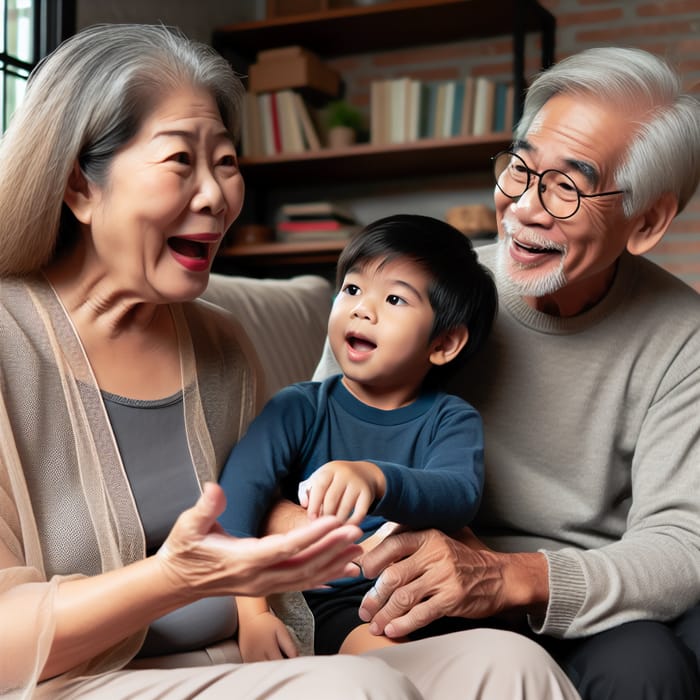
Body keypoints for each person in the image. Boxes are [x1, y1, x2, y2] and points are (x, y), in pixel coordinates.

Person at [0, 22, 581, 700]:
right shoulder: (11, 339)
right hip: (75, 681)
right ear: (79, 184)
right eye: (181, 161)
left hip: (248, 651)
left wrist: (305, 533)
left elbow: (269, 497)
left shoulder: (220, 343)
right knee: (355, 690)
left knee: (515, 666)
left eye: (226, 162)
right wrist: (177, 578)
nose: (218, 196)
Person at [310, 46, 700, 699]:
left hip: (580, 590)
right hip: (423, 572)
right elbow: (318, 440)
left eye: (568, 186)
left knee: (649, 665)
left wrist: (512, 577)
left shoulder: (682, 334)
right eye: (520, 167)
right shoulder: (421, 292)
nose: (525, 206)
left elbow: (681, 543)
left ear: (649, 220)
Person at [218, 214, 497, 659]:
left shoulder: (452, 419)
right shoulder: (298, 408)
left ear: (444, 343)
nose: (362, 309)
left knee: (505, 660)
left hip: (435, 595)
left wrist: (375, 478)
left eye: (393, 298)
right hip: (343, 604)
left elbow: (459, 494)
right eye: (352, 289)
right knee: (397, 668)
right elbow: (233, 507)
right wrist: (253, 615)